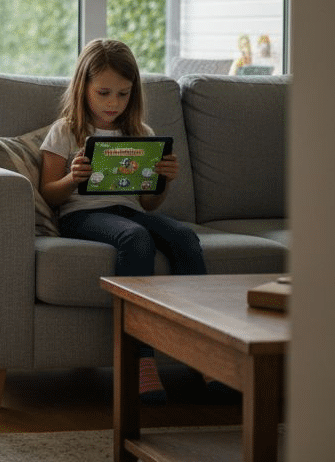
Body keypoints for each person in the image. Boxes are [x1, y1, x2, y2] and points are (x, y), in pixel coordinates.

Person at [38, 38, 206, 405]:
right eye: (103, 93)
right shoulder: (65, 131)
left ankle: (203, 348)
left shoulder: (140, 134)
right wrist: (73, 178)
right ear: (82, 87)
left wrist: (162, 179)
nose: (113, 103)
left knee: (184, 237)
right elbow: (48, 193)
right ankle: (138, 357)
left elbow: (148, 202)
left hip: (129, 211)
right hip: (80, 215)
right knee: (135, 239)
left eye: (123, 94)